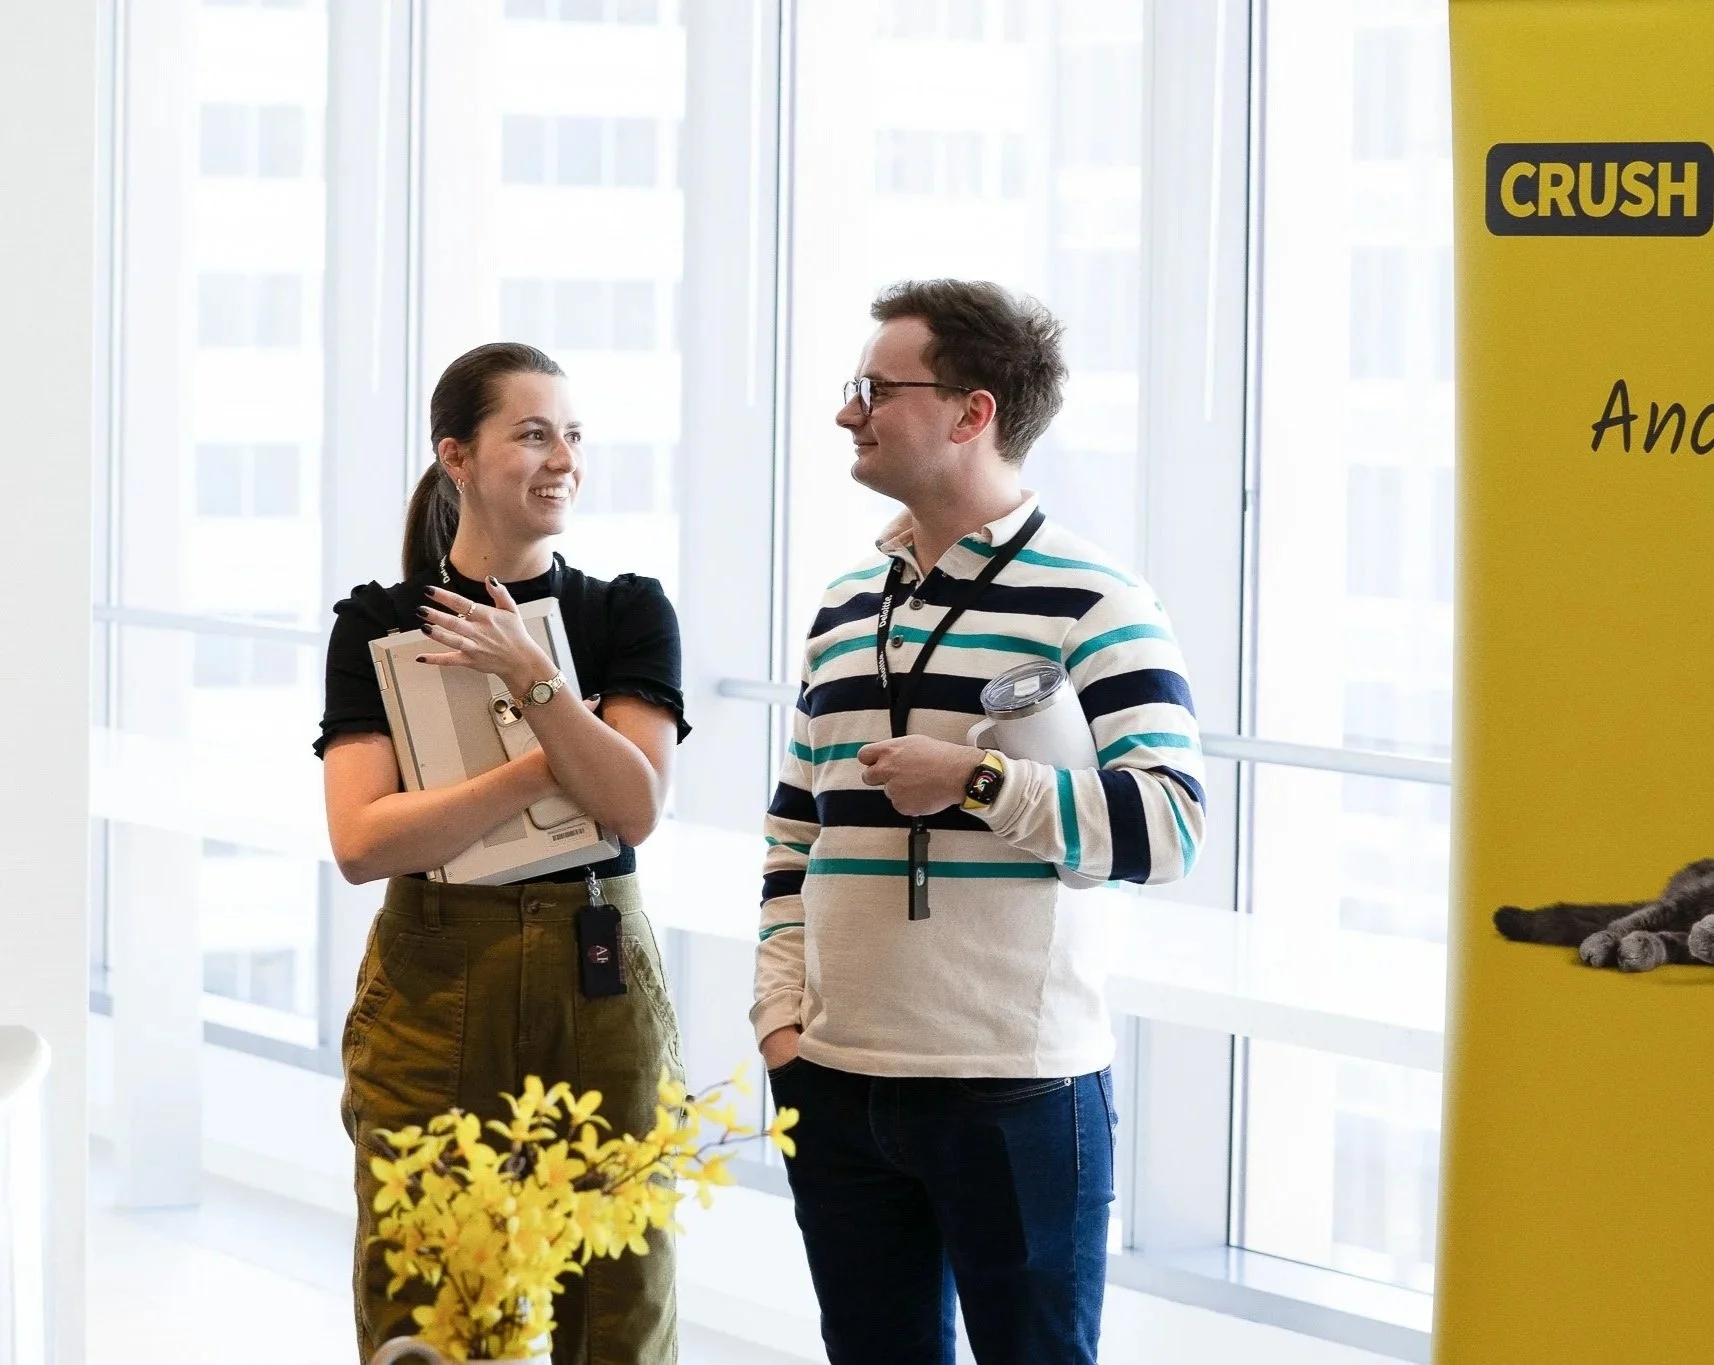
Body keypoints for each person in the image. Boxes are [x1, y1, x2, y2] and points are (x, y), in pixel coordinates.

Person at [752, 280, 1205, 1365]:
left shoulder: (1099, 600)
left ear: (972, 411)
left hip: (1017, 1091)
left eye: (873, 388)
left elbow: (1169, 829)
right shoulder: (847, 603)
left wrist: (974, 782)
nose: (845, 413)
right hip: (837, 1079)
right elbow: (794, 829)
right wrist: (781, 1023)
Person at [317, 341, 689, 1365]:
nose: (562, 456)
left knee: (619, 1297)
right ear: (457, 457)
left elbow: (633, 804)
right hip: (437, 975)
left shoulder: (625, 611)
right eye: (532, 433)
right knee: (423, 1302)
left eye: (572, 435)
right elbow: (360, 840)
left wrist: (531, 677)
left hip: (597, 969)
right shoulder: (380, 623)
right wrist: (540, 769)